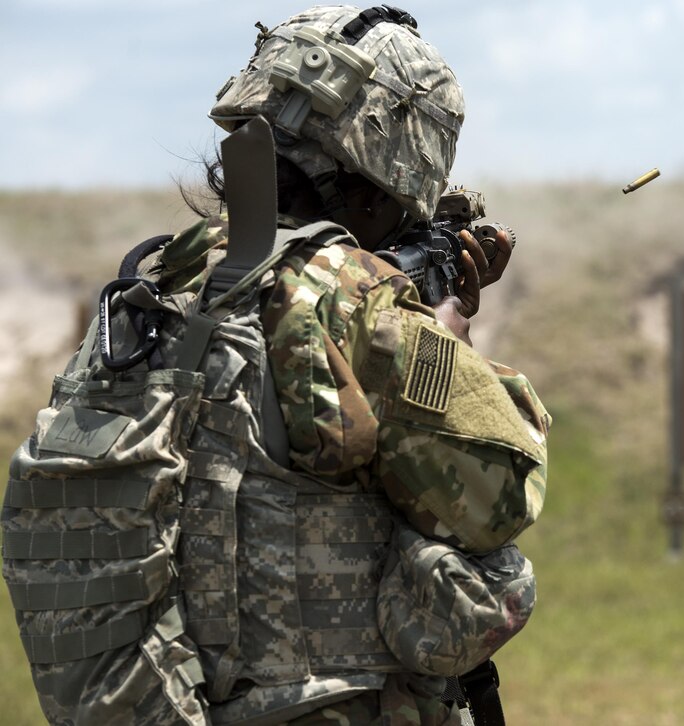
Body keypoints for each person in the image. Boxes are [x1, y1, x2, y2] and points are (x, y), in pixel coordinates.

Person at [164, 5, 548, 724]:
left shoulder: (163, 280)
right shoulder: (351, 296)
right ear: (383, 180)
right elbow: (498, 494)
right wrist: (446, 332)